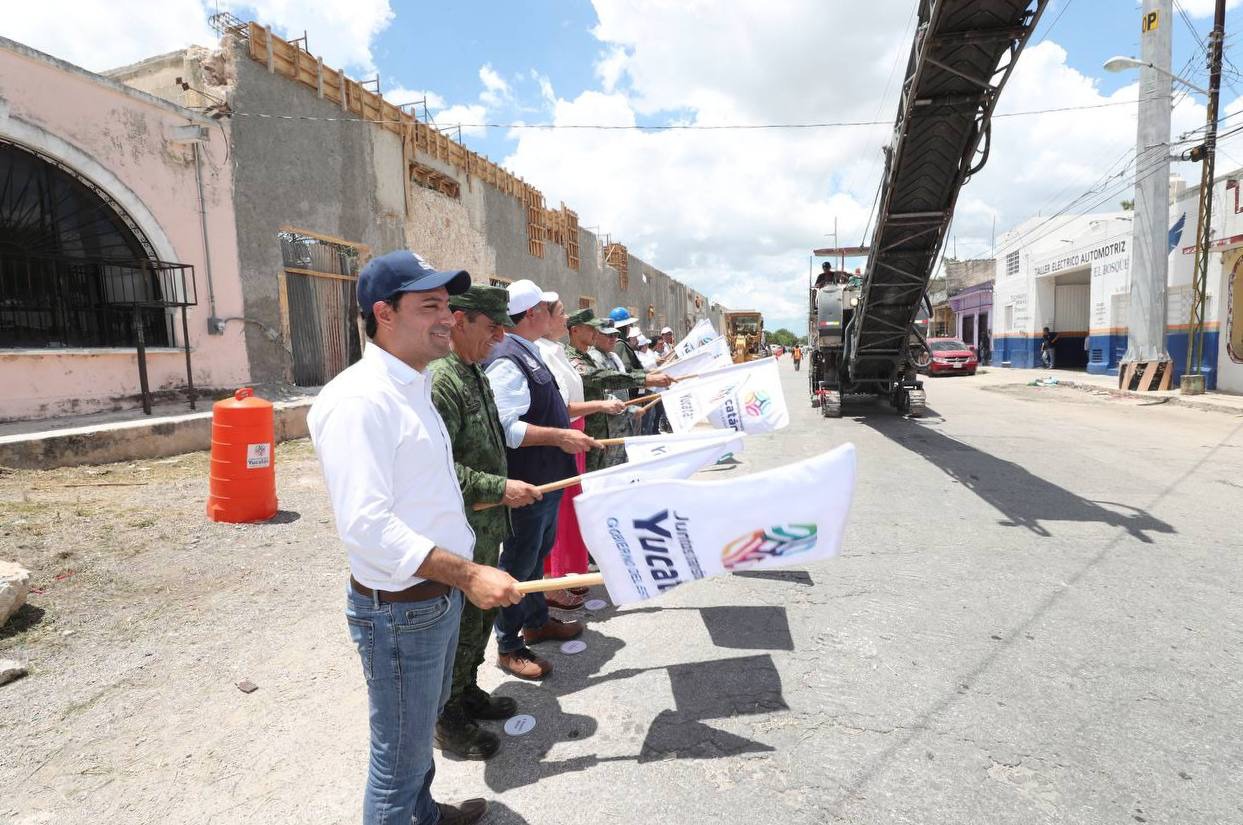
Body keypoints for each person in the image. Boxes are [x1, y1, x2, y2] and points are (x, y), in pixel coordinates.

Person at [308, 250, 522, 825]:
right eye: (430, 306)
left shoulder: (413, 385)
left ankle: (422, 814)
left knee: (418, 734)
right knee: (397, 761)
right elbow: (367, 527)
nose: (448, 318)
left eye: (448, 305)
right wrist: (469, 573)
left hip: (433, 600)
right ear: (384, 313)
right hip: (401, 611)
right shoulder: (360, 400)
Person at [429, 284, 542, 761]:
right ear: (460, 320)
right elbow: (436, 470)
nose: (499, 338)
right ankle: (448, 718)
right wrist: (499, 487)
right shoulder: (442, 381)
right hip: (460, 530)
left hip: (486, 526)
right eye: (492, 328)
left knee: (479, 620)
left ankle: (467, 691)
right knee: (458, 626)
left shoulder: (473, 371)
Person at [484, 279, 597, 679]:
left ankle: (535, 622)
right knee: (519, 561)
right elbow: (506, 428)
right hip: (528, 482)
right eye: (551, 309)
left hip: (546, 479)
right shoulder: (507, 358)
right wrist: (559, 436)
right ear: (533, 314)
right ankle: (509, 645)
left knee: (536, 557)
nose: (556, 315)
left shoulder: (527, 350)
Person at [535, 298, 626, 611]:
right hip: (563, 435)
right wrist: (600, 405)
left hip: (574, 432)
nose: (566, 319)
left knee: (570, 509)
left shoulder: (555, 351)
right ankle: (554, 579)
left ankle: (567, 573)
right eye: (561, 314)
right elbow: (562, 405)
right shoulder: (542, 352)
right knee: (559, 512)